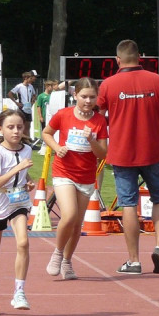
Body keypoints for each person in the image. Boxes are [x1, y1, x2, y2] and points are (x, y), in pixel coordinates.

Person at [97, 40, 159, 275]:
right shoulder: (156, 80)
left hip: (122, 153)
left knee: (128, 204)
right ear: (140, 56)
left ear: (117, 60)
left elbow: (99, 119)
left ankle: (133, 260)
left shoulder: (108, 84)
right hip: (152, 150)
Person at [42, 77, 109, 280]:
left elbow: (103, 154)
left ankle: (67, 261)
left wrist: (91, 140)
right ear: (75, 95)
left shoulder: (99, 121)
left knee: (77, 224)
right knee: (69, 215)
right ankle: (57, 253)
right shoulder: (63, 115)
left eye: (92, 97)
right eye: (84, 96)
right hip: (64, 172)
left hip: (86, 176)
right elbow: (47, 133)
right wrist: (57, 147)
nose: (88, 101)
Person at [0, 109, 36, 314]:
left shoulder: (27, 149)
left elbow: (23, 175)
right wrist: (17, 169)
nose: (16, 131)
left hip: (18, 201)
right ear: (1, 129)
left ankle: (19, 291)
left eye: (20, 127)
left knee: (23, 242)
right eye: (11, 127)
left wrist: (28, 181)